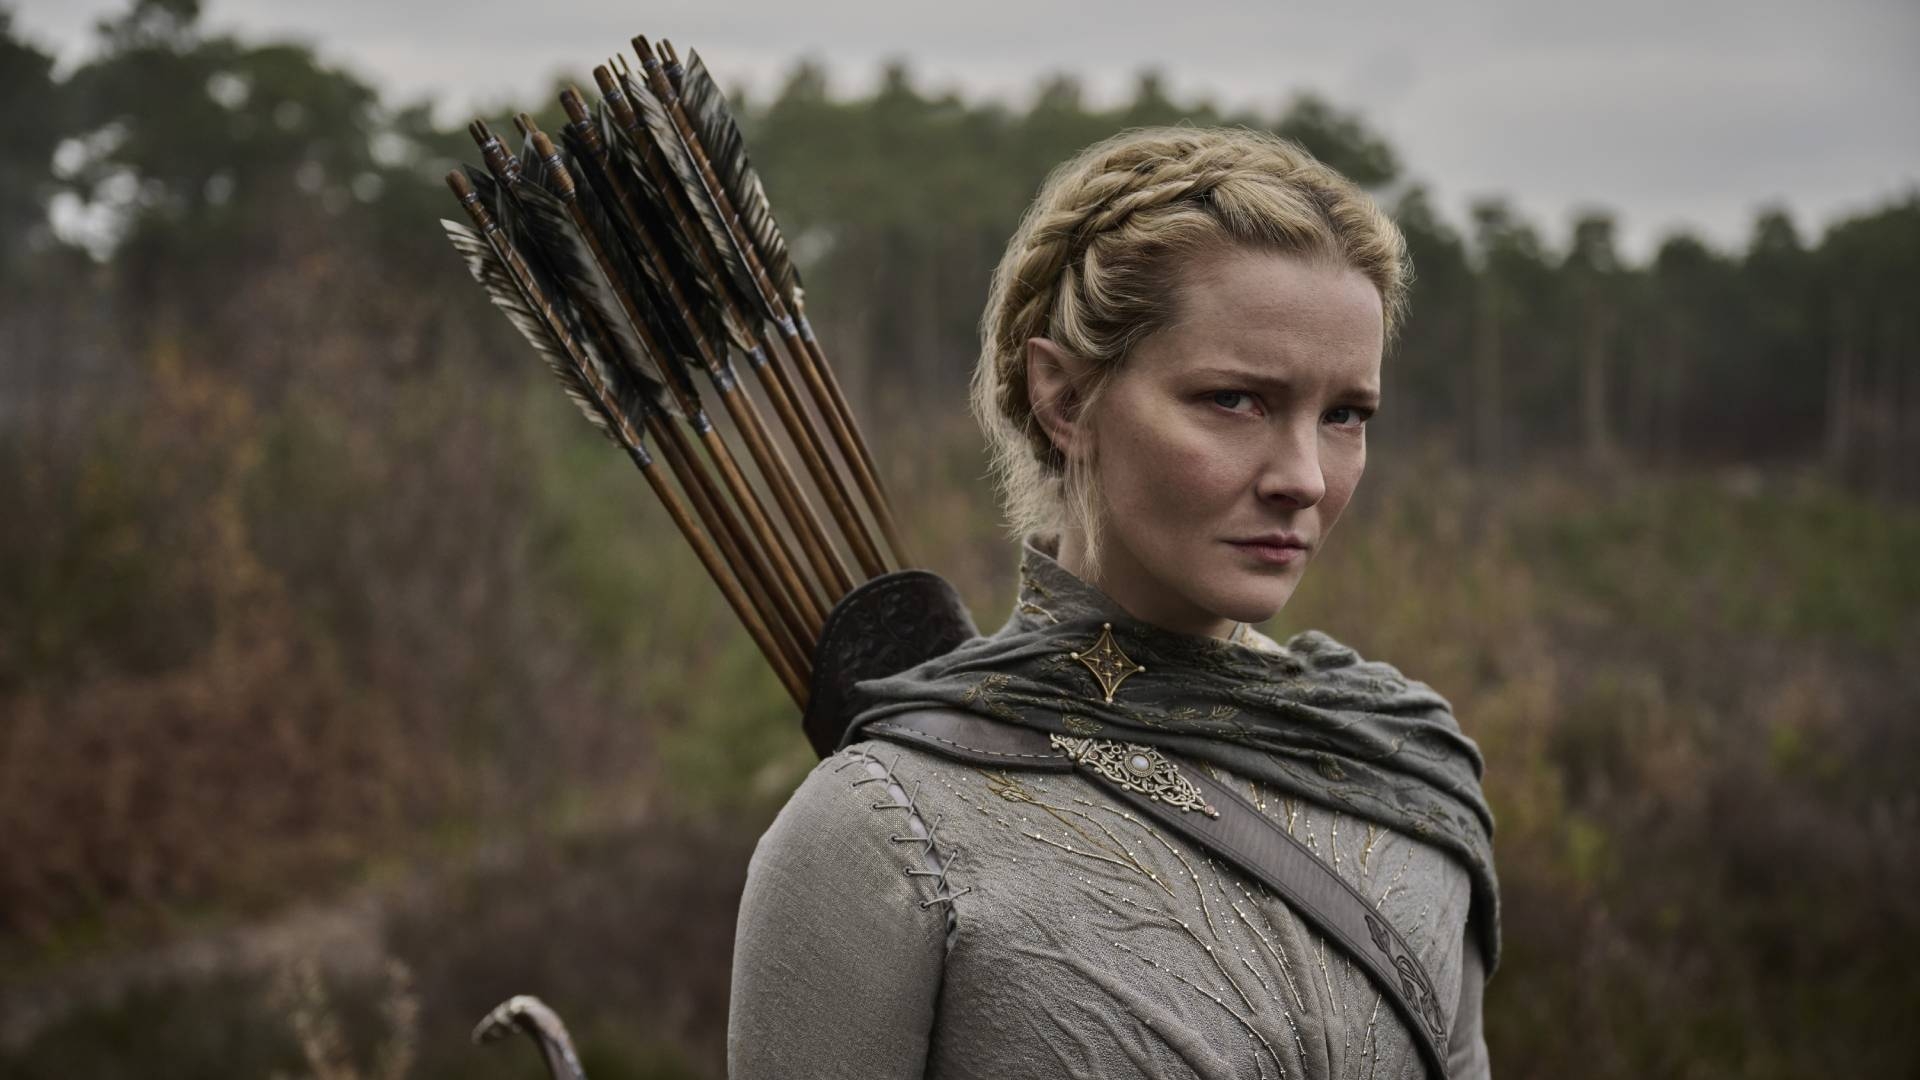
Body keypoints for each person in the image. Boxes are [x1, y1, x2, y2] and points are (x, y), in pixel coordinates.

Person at [727, 126, 1499, 1080]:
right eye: (1235, 400)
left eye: (1344, 415)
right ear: (1064, 399)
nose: (1304, 477)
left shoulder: (1405, 774)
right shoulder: (885, 830)